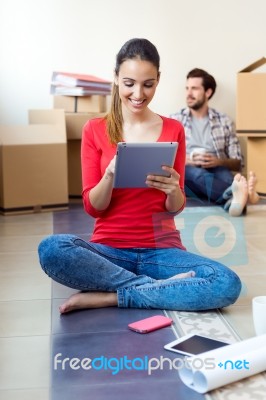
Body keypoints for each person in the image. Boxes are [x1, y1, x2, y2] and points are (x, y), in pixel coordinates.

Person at [38, 39, 241, 314]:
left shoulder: (173, 129)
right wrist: (110, 174)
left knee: (226, 283)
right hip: (110, 252)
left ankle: (114, 296)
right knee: (52, 248)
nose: (138, 93)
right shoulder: (95, 129)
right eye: (129, 83)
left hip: (162, 251)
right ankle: (155, 288)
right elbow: (93, 207)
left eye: (148, 84)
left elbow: (175, 208)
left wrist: (173, 190)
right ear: (116, 79)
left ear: (158, 80)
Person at [170, 68, 260, 216]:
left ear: (208, 92)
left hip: (217, 168)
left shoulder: (224, 121)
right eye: (187, 88)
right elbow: (165, 160)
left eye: (194, 88)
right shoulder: (175, 120)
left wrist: (218, 161)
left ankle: (235, 202)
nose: (188, 93)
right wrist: (189, 160)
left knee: (227, 178)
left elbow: (238, 162)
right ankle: (244, 196)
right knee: (199, 175)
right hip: (188, 171)